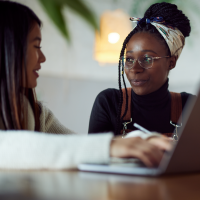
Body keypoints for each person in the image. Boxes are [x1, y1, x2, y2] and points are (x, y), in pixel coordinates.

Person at [0, 0, 171, 169]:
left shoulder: (35, 113)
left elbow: (78, 146)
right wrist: (108, 146)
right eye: (36, 46)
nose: (43, 57)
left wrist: (143, 141)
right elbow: (8, 147)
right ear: (7, 48)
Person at [88, 2, 195, 137]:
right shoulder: (109, 103)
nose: (135, 69)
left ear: (171, 62)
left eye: (147, 59)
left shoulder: (189, 108)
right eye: (129, 59)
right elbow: (95, 156)